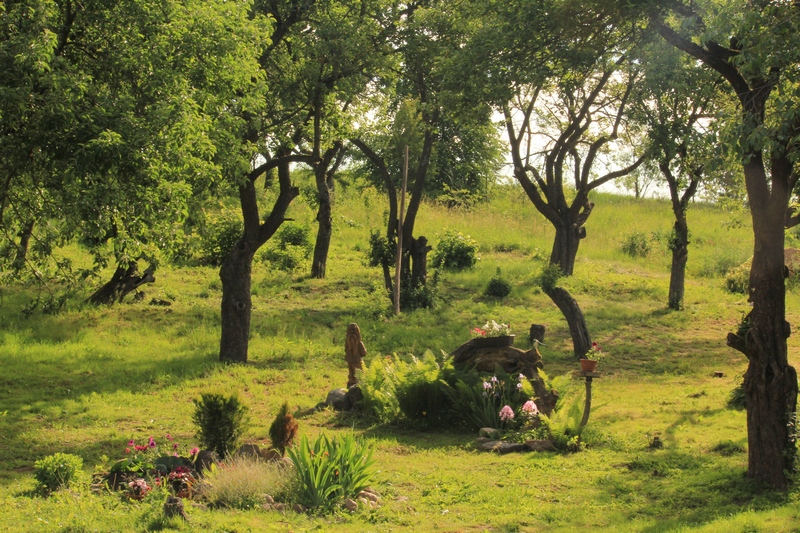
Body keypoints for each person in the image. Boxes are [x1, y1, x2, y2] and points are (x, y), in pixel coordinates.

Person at [345, 323, 367, 388]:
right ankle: (352, 379)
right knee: (351, 371)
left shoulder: (359, 343)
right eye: (350, 330)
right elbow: (346, 350)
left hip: (357, 360)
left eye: (354, 330)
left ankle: (358, 380)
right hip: (350, 359)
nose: (352, 332)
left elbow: (364, 353)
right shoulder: (347, 342)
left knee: (358, 371)